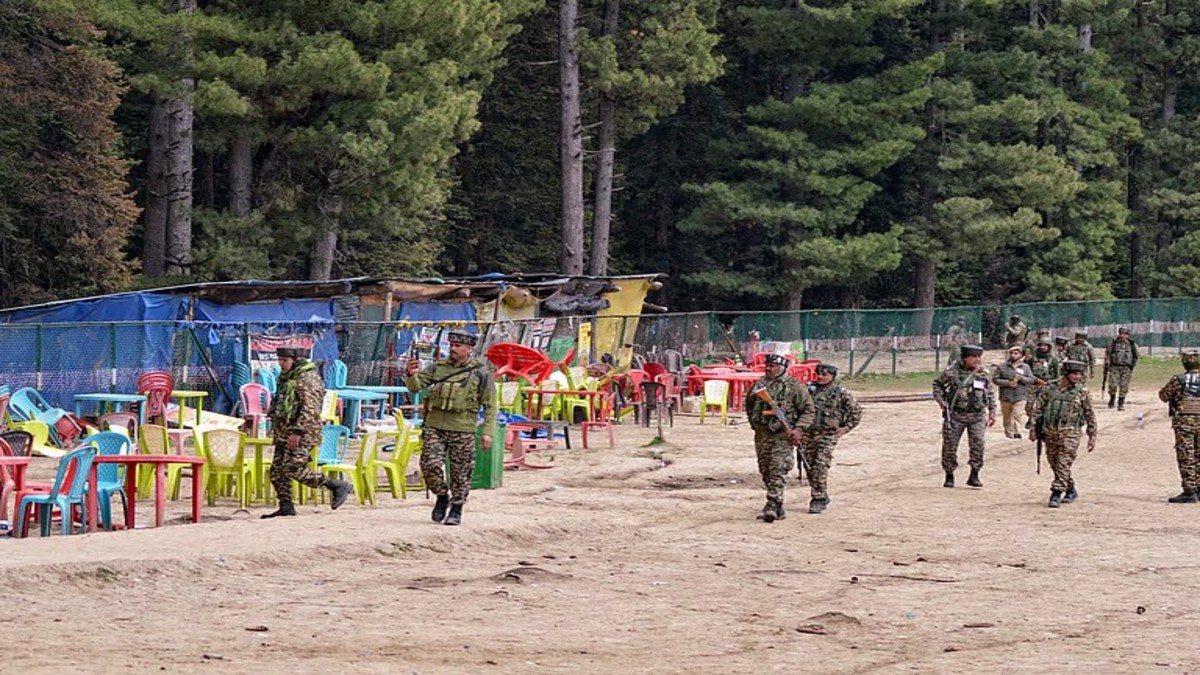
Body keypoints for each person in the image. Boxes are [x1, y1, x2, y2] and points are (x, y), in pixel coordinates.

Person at [406, 330, 496, 526]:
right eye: (452, 345)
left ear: (469, 348)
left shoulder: (480, 372)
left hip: (463, 427)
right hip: (435, 425)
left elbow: (490, 405)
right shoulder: (438, 367)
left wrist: (488, 432)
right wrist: (411, 375)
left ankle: (457, 508)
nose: (453, 349)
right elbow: (416, 386)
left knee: (461, 471)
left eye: (458, 346)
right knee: (429, 465)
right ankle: (441, 496)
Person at [261, 347, 353, 518]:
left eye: (284, 361)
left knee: (294, 468)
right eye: (279, 360)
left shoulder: (307, 378)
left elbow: (310, 409)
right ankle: (286, 506)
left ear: (296, 360)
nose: (281, 364)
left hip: (301, 433)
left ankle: (335, 485)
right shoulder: (289, 377)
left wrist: (297, 431)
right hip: (284, 432)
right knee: (277, 472)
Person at [744, 354, 815, 523]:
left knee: (778, 467)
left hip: (783, 435)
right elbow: (749, 405)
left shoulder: (794, 386)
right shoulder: (759, 385)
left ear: (782, 368)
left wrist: (798, 429)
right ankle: (778, 505)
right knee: (766, 469)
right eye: (767, 365)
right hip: (762, 434)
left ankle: (772, 503)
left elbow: (808, 410)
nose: (768, 368)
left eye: (773, 365)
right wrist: (755, 424)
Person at [1027, 360, 1097, 508]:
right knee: (1055, 463)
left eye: (1079, 374)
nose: (1078, 377)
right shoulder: (1050, 388)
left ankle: (1056, 493)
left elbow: (1090, 414)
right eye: (1075, 374)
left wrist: (1092, 436)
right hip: (1050, 432)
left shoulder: (1082, 392)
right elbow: (1038, 408)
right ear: (1066, 374)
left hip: (1071, 433)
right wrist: (1033, 428)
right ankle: (1070, 489)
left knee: (1064, 462)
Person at [800, 364, 862, 514]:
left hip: (827, 435)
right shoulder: (807, 390)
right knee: (809, 467)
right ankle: (822, 492)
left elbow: (856, 411)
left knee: (820, 465)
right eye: (818, 374)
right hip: (807, 434)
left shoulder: (840, 392)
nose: (820, 377)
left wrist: (845, 428)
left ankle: (818, 498)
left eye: (825, 374)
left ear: (832, 376)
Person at [932, 344, 996, 488]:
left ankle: (974, 474)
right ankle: (949, 474)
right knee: (950, 445)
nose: (977, 360)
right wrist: (942, 402)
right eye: (973, 357)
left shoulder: (983, 373)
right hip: (956, 415)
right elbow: (937, 385)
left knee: (978, 444)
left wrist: (992, 412)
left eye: (979, 356)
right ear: (964, 358)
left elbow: (990, 393)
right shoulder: (951, 372)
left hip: (977, 415)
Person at [1157, 350, 1200, 503]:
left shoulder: (1178, 379)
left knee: (1186, 455)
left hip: (1184, 423)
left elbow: (1163, 396)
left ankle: (1190, 491)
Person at [993, 345, 1036, 439]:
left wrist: (1022, 379)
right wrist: (1007, 383)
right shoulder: (1002, 367)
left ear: (1021, 355)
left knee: (1018, 414)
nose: (1013, 355)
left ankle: (1017, 432)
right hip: (1005, 396)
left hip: (1020, 395)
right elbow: (995, 380)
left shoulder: (1025, 367)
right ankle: (1009, 434)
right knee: (1007, 417)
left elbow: (1031, 380)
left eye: (1016, 353)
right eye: (1011, 353)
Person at [1104, 327, 1140, 410]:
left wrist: (1132, 366)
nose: (1122, 336)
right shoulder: (1113, 343)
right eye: (1121, 334)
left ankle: (1121, 403)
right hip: (1115, 367)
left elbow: (1136, 356)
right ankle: (1112, 399)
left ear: (1127, 335)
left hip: (1126, 368)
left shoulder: (1132, 344)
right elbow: (1108, 354)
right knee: (1112, 385)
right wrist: (1107, 364)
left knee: (1124, 386)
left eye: (1124, 334)